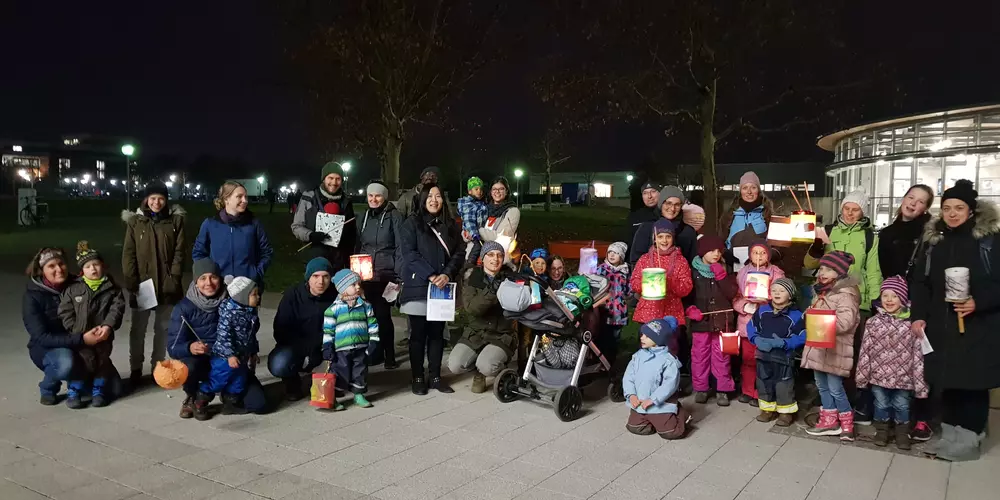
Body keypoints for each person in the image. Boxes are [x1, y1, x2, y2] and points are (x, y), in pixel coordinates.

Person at [910, 179, 1000, 461]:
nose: (952, 214)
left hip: (978, 327)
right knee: (946, 380)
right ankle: (950, 434)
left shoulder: (988, 242)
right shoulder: (934, 241)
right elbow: (921, 283)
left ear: (971, 211)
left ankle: (971, 437)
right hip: (941, 324)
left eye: (959, 208)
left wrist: (978, 302)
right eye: (947, 208)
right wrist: (918, 316)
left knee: (972, 382)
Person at [804, 188, 882, 425]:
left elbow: (873, 270)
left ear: (862, 212)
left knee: (849, 350)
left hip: (856, 299)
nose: (849, 213)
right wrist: (817, 245)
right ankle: (827, 399)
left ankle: (847, 400)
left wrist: (876, 300)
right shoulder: (828, 230)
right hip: (826, 297)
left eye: (855, 209)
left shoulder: (870, 237)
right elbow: (809, 264)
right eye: (846, 208)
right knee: (823, 347)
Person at [169, 259, 267, 418]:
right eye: (202, 278)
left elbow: (249, 333)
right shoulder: (184, 308)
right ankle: (194, 396)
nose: (208, 283)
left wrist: (252, 349)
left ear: (220, 279)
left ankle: (230, 399)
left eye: (213, 277)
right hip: (208, 360)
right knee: (192, 368)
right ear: (195, 282)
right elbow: (173, 347)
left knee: (258, 403)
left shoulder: (238, 298)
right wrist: (190, 347)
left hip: (236, 358)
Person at [24, 247, 122, 406]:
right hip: (49, 348)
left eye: (61, 264)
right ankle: (49, 386)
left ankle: (83, 383)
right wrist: (81, 339)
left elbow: (109, 301)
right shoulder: (33, 296)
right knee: (66, 363)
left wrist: (105, 327)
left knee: (115, 389)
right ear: (42, 270)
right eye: (51, 266)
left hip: (84, 343)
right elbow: (41, 336)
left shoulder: (78, 283)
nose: (58, 269)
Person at [399, 184, 464, 395]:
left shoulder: (450, 225)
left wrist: (447, 273)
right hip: (418, 285)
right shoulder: (411, 224)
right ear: (423, 199)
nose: (434, 200)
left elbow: (459, 252)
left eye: (438, 196)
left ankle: (435, 376)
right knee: (417, 335)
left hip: (442, 288)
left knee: (437, 335)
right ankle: (417, 377)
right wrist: (431, 275)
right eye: (430, 196)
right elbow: (409, 254)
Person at [121, 181, 186, 386]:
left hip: (167, 284)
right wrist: (132, 280)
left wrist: (174, 277)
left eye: (160, 198)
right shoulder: (136, 222)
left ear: (166, 200)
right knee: (138, 329)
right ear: (146, 200)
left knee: (163, 328)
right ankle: (136, 368)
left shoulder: (175, 221)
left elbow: (180, 251)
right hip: (143, 284)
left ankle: (158, 367)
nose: (156, 202)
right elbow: (129, 253)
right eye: (152, 198)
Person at [855, 276, 927, 451]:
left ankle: (902, 432)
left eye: (894, 296)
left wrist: (920, 383)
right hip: (878, 376)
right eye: (885, 295)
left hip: (903, 377)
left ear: (903, 299)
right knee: (881, 404)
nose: (889, 300)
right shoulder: (873, 323)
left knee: (902, 405)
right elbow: (865, 351)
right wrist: (862, 376)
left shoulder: (912, 324)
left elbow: (918, 355)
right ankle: (882, 430)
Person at [57, 241, 126, 408]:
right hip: (80, 337)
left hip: (103, 336)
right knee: (81, 362)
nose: (93, 269)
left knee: (101, 362)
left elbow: (117, 309)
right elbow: (65, 311)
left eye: (96, 265)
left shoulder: (112, 288)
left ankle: (99, 390)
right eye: (88, 266)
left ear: (103, 266)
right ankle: (75, 390)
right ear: (82, 270)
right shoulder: (73, 288)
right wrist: (75, 330)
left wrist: (108, 326)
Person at [802, 251, 861, 441]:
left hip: (836, 350)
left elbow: (846, 322)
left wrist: (820, 320)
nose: (822, 272)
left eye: (829, 269)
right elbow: (816, 311)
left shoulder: (846, 295)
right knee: (821, 385)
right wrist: (809, 314)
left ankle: (846, 423)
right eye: (821, 268)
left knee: (835, 387)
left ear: (840, 273)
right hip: (819, 349)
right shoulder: (821, 291)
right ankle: (829, 419)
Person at [448, 241, 515, 393]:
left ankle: (490, 369)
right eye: (490, 255)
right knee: (455, 365)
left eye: (499, 255)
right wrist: (492, 291)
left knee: (488, 366)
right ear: (483, 258)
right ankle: (479, 367)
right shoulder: (472, 278)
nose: (495, 259)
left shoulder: (509, 278)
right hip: (476, 333)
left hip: (500, 334)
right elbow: (473, 309)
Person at [268, 258, 337, 401]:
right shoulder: (293, 295)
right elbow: (281, 329)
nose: (321, 281)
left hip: (326, 346)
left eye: (325, 277)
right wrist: (306, 351)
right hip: (296, 345)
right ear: (308, 278)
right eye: (315, 276)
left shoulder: (336, 296)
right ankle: (292, 382)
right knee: (279, 364)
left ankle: (330, 382)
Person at [194, 276, 260, 420]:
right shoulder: (229, 313)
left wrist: (254, 351)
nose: (258, 297)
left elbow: (251, 335)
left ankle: (231, 403)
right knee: (219, 379)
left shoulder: (251, 312)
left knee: (239, 380)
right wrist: (230, 355)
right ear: (242, 297)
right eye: (254, 294)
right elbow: (224, 336)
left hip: (242, 356)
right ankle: (200, 400)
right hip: (224, 358)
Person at [685, 236, 738, 406]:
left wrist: (722, 276)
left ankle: (723, 389)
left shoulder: (726, 268)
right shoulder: (693, 271)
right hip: (701, 322)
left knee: (722, 355)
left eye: (718, 250)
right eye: (711, 250)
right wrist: (690, 309)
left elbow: (731, 294)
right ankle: (701, 388)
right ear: (702, 252)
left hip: (722, 321)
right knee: (700, 355)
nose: (716, 254)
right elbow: (687, 295)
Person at [356, 181, 403, 369]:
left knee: (383, 315)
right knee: (369, 315)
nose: (373, 199)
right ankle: (374, 352)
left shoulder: (394, 217)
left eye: (378, 196)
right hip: (366, 274)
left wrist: (398, 275)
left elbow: (400, 246)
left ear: (384, 197)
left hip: (386, 274)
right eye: (370, 196)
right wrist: (355, 273)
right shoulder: (363, 216)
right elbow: (359, 245)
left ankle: (389, 354)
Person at [746, 278, 805, 426]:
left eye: (782, 290)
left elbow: (802, 336)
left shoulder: (796, 315)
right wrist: (755, 339)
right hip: (762, 355)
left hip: (784, 357)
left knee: (783, 385)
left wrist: (784, 343)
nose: (777, 293)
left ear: (790, 295)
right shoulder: (762, 310)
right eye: (774, 290)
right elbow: (751, 326)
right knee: (764, 382)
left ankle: (785, 413)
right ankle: (767, 410)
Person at [733, 241, 786, 406]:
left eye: (762, 253)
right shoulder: (742, 273)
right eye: (755, 253)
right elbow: (736, 297)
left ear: (768, 255)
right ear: (749, 255)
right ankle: (748, 390)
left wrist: (768, 300)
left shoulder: (776, 273)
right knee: (748, 359)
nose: (759, 257)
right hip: (747, 323)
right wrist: (744, 306)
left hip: (766, 323)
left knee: (764, 360)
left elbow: (782, 296)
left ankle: (763, 392)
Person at [193, 181, 273, 288]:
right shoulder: (210, 224)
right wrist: (209, 278)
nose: (244, 200)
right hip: (218, 288)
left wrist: (255, 274)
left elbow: (266, 252)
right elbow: (198, 253)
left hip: (247, 288)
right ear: (226, 199)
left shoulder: (254, 224)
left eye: (246, 197)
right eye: (239, 196)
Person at [622, 316, 689, 440]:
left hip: (660, 404)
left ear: (659, 339)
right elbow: (628, 377)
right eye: (642, 335)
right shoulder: (637, 356)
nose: (642, 338)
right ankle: (651, 421)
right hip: (640, 404)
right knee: (634, 427)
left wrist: (654, 399)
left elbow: (670, 384)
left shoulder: (668, 361)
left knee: (671, 433)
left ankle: (681, 415)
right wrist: (631, 395)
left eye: (647, 336)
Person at [322, 270, 379, 410]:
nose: (358, 287)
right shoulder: (333, 310)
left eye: (358, 283)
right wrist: (327, 346)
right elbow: (328, 330)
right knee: (339, 372)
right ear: (342, 288)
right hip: (341, 348)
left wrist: (374, 340)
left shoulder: (365, 306)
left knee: (360, 371)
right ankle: (332, 397)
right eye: (353, 284)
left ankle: (358, 394)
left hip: (361, 345)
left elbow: (372, 323)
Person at [291, 161, 357, 269]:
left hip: (339, 259)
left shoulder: (346, 201)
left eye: (338, 179)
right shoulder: (308, 198)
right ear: (324, 179)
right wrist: (310, 235)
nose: (334, 182)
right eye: (330, 178)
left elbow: (352, 233)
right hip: (314, 257)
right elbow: (296, 226)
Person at [630, 219, 693, 325]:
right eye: (660, 237)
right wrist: (647, 283)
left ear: (673, 238)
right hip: (648, 312)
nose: (664, 240)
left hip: (672, 312)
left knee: (669, 341)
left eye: (668, 236)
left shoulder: (680, 261)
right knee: (648, 340)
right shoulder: (644, 259)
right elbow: (634, 282)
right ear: (654, 239)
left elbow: (686, 287)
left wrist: (668, 281)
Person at [629, 185, 698, 269]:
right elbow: (635, 260)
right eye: (668, 203)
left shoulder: (688, 232)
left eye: (677, 205)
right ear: (661, 204)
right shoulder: (647, 228)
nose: (672, 208)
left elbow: (694, 263)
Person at [877, 184, 934, 279]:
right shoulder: (886, 233)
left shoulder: (930, 234)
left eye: (920, 201)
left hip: (919, 292)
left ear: (926, 209)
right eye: (911, 197)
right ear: (904, 198)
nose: (913, 203)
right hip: (892, 292)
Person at [596, 241, 631, 366]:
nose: (612, 255)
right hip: (605, 309)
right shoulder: (601, 270)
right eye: (610, 252)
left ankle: (611, 362)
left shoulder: (625, 272)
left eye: (616, 253)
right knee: (603, 336)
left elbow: (628, 289)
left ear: (621, 256)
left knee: (615, 338)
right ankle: (601, 361)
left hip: (619, 311)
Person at [722, 171, 773, 249]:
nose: (749, 192)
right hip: (733, 260)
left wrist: (770, 254)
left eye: (753, 187)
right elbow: (721, 240)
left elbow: (776, 244)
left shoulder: (767, 214)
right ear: (740, 191)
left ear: (758, 191)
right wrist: (726, 254)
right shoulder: (729, 215)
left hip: (759, 260)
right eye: (745, 188)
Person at [479, 176, 521, 267]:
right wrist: (466, 233)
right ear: (490, 192)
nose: (497, 192)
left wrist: (476, 231)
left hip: (500, 262)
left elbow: (501, 237)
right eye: (494, 189)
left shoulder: (513, 211)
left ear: (506, 191)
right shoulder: (483, 209)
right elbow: (466, 233)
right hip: (479, 260)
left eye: (501, 189)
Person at [626, 180, 661, 256]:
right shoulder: (634, 216)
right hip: (639, 261)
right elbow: (627, 241)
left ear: (660, 193)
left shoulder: (666, 214)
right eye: (645, 193)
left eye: (653, 191)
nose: (649, 196)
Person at [458, 176, 488, 262]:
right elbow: (469, 220)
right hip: (473, 232)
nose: (479, 191)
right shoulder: (469, 205)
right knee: (477, 246)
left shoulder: (480, 203)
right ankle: (470, 262)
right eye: (476, 189)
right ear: (470, 191)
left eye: (481, 189)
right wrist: (474, 233)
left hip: (480, 231)